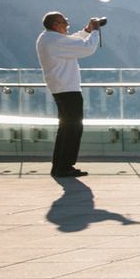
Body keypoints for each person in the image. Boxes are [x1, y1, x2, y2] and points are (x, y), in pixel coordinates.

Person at [35, 11, 104, 179]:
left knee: (65, 128)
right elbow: (86, 48)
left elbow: (71, 41)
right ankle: (64, 167)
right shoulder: (55, 41)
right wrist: (94, 31)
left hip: (61, 87)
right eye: (64, 21)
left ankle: (59, 166)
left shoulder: (48, 38)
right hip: (68, 89)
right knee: (73, 128)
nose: (67, 23)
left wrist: (86, 31)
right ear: (55, 25)